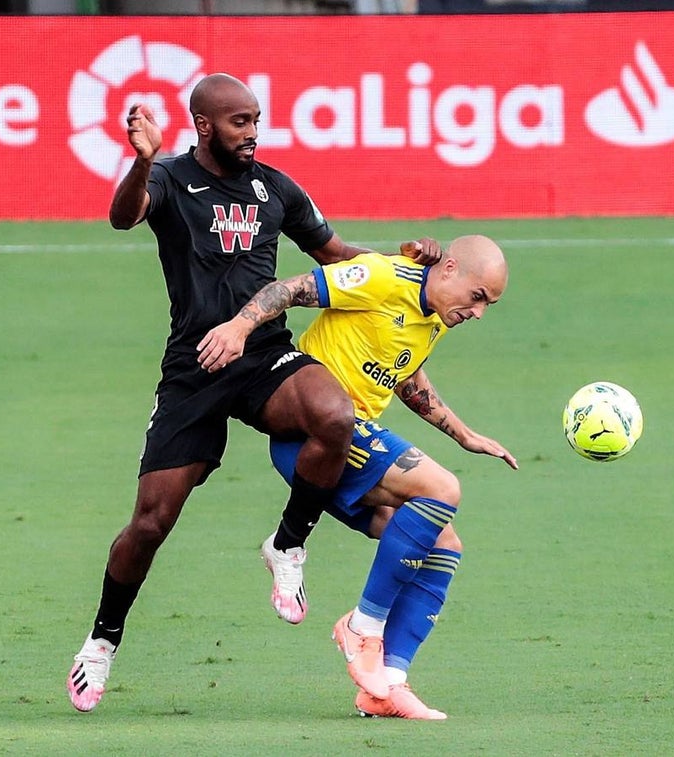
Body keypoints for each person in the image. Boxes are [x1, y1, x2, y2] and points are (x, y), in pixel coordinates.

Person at [65, 73, 440, 713]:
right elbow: (122, 217)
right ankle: (102, 640)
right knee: (151, 522)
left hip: (262, 351)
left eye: (256, 119)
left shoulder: (275, 188)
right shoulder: (170, 179)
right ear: (205, 126)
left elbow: (336, 254)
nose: (253, 132)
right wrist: (141, 161)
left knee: (333, 413)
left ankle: (289, 543)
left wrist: (407, 264)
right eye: (240, 122)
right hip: (195, 365)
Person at [199, 234, 517, 719]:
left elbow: (405, 375)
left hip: (356, 440)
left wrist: (463, 434)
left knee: (444, 543)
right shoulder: (384, 276)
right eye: (478, 298)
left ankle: (386, 685)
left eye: (490, 305)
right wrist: (240, 328)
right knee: (443, 488)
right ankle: (361, 627)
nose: (479, 313)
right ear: (449, 268)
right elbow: (290, 289)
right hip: (315, 436)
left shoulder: (435, 316)